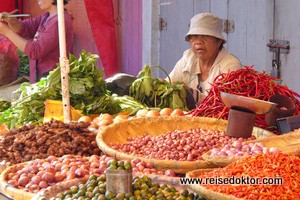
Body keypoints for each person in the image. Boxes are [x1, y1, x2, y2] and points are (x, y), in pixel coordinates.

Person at [169, 12, 242, 103]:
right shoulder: (188, 57)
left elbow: (219, 103)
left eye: (205, 36)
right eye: (194, 37)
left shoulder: (230, 65)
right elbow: (169, 84)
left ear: (218, 41)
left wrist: (188, 93)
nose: (198, 42)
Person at [0, 0, 73, 83]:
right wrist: (11, 21)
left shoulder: (58, 22)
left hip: (51, 80)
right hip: (40, 77)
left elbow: (35, 51)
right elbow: (26, 27)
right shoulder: (47, 16)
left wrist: (6, 32)